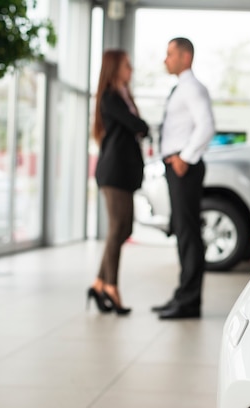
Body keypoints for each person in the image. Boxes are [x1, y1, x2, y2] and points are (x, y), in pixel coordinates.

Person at [152, 37, 215, 320]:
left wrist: (184, 157)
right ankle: (183, 295)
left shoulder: (192, 88)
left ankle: (189, 301)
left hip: (184, 168)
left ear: (185, 57)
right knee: (183, 231)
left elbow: (207, 126)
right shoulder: (182, 87)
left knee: (188, 233)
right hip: (178, 166)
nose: (166, 59)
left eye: (170, 54)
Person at [88, 49, 149, 316]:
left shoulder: (123, 95)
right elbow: (136, 124)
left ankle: (99, 283)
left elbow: (138, 126)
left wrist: (141, 125)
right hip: (114, 173)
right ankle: (110, 286)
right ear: (114, 68)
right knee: (118, 229)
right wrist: (141, 124)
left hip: (123, 173)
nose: (131, 69)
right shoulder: (111, 97)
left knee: (123, 229)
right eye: (126, 65)